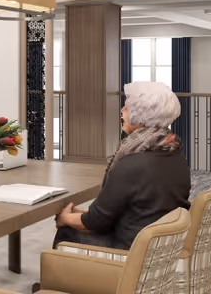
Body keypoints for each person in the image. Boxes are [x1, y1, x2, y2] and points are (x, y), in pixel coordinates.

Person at [53, 81, 191, 250]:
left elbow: (95, 223)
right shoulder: (174, 152)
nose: (122, 111)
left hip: (131, 252)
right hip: (160, 247)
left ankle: (58, 276)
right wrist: (84, 214)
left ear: (141, 115)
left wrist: (64, 218)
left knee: (66, 232)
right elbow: (129, 209)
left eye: (126, 107)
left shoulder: (132, 163)